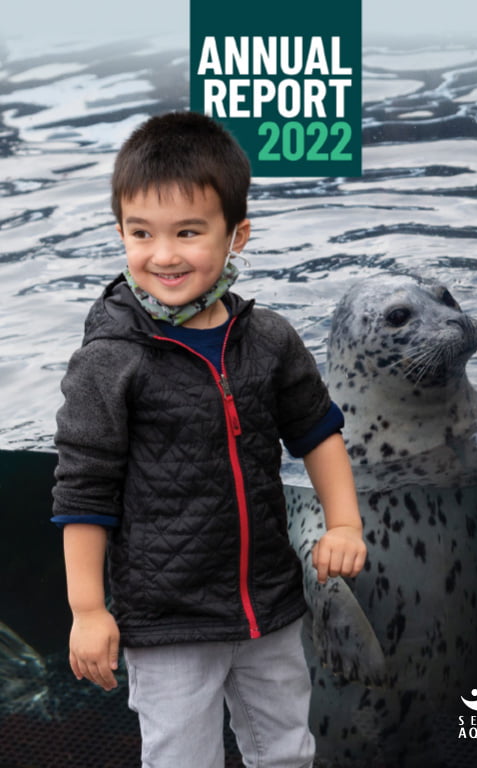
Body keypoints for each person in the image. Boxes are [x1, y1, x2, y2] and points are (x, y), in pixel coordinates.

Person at [52, 111, 366, 768]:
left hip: (268, 607)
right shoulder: (110, 360)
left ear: (236, 235)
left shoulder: (269, 339)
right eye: (141, 233)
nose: (163, 254)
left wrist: (343, 523)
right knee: (180, 760)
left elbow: (318, 432)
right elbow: (84, 489)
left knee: (285, 750)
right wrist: (88, 609)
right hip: (167, 621)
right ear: (120, 233)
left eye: (188, 232)